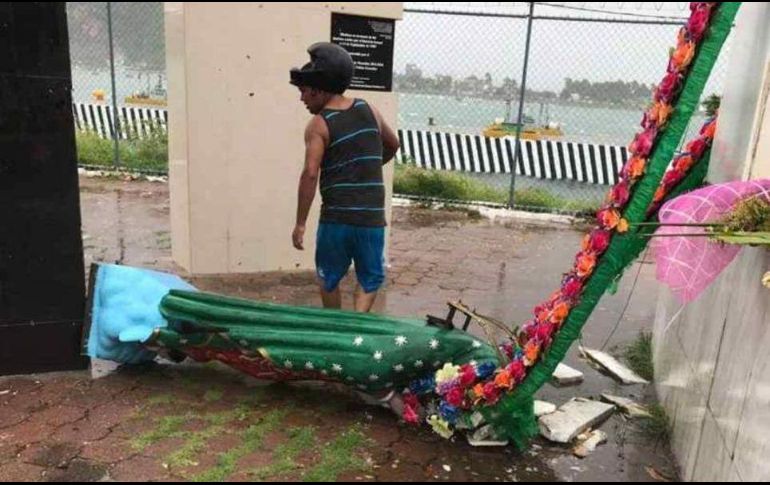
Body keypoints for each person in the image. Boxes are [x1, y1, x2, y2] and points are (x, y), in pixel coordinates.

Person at [290, 42, 400, 312]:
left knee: (328, 277)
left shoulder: (318, 125)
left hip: (336, 219)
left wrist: (300, 223)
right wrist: (368, 166)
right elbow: (393, 144)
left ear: (319, 88)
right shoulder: (369, 109)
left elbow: (310, 174)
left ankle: (334, 326)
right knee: (369, 278)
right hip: (371, 219)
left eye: (304, 91)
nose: (302, 99)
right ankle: (357, 325)